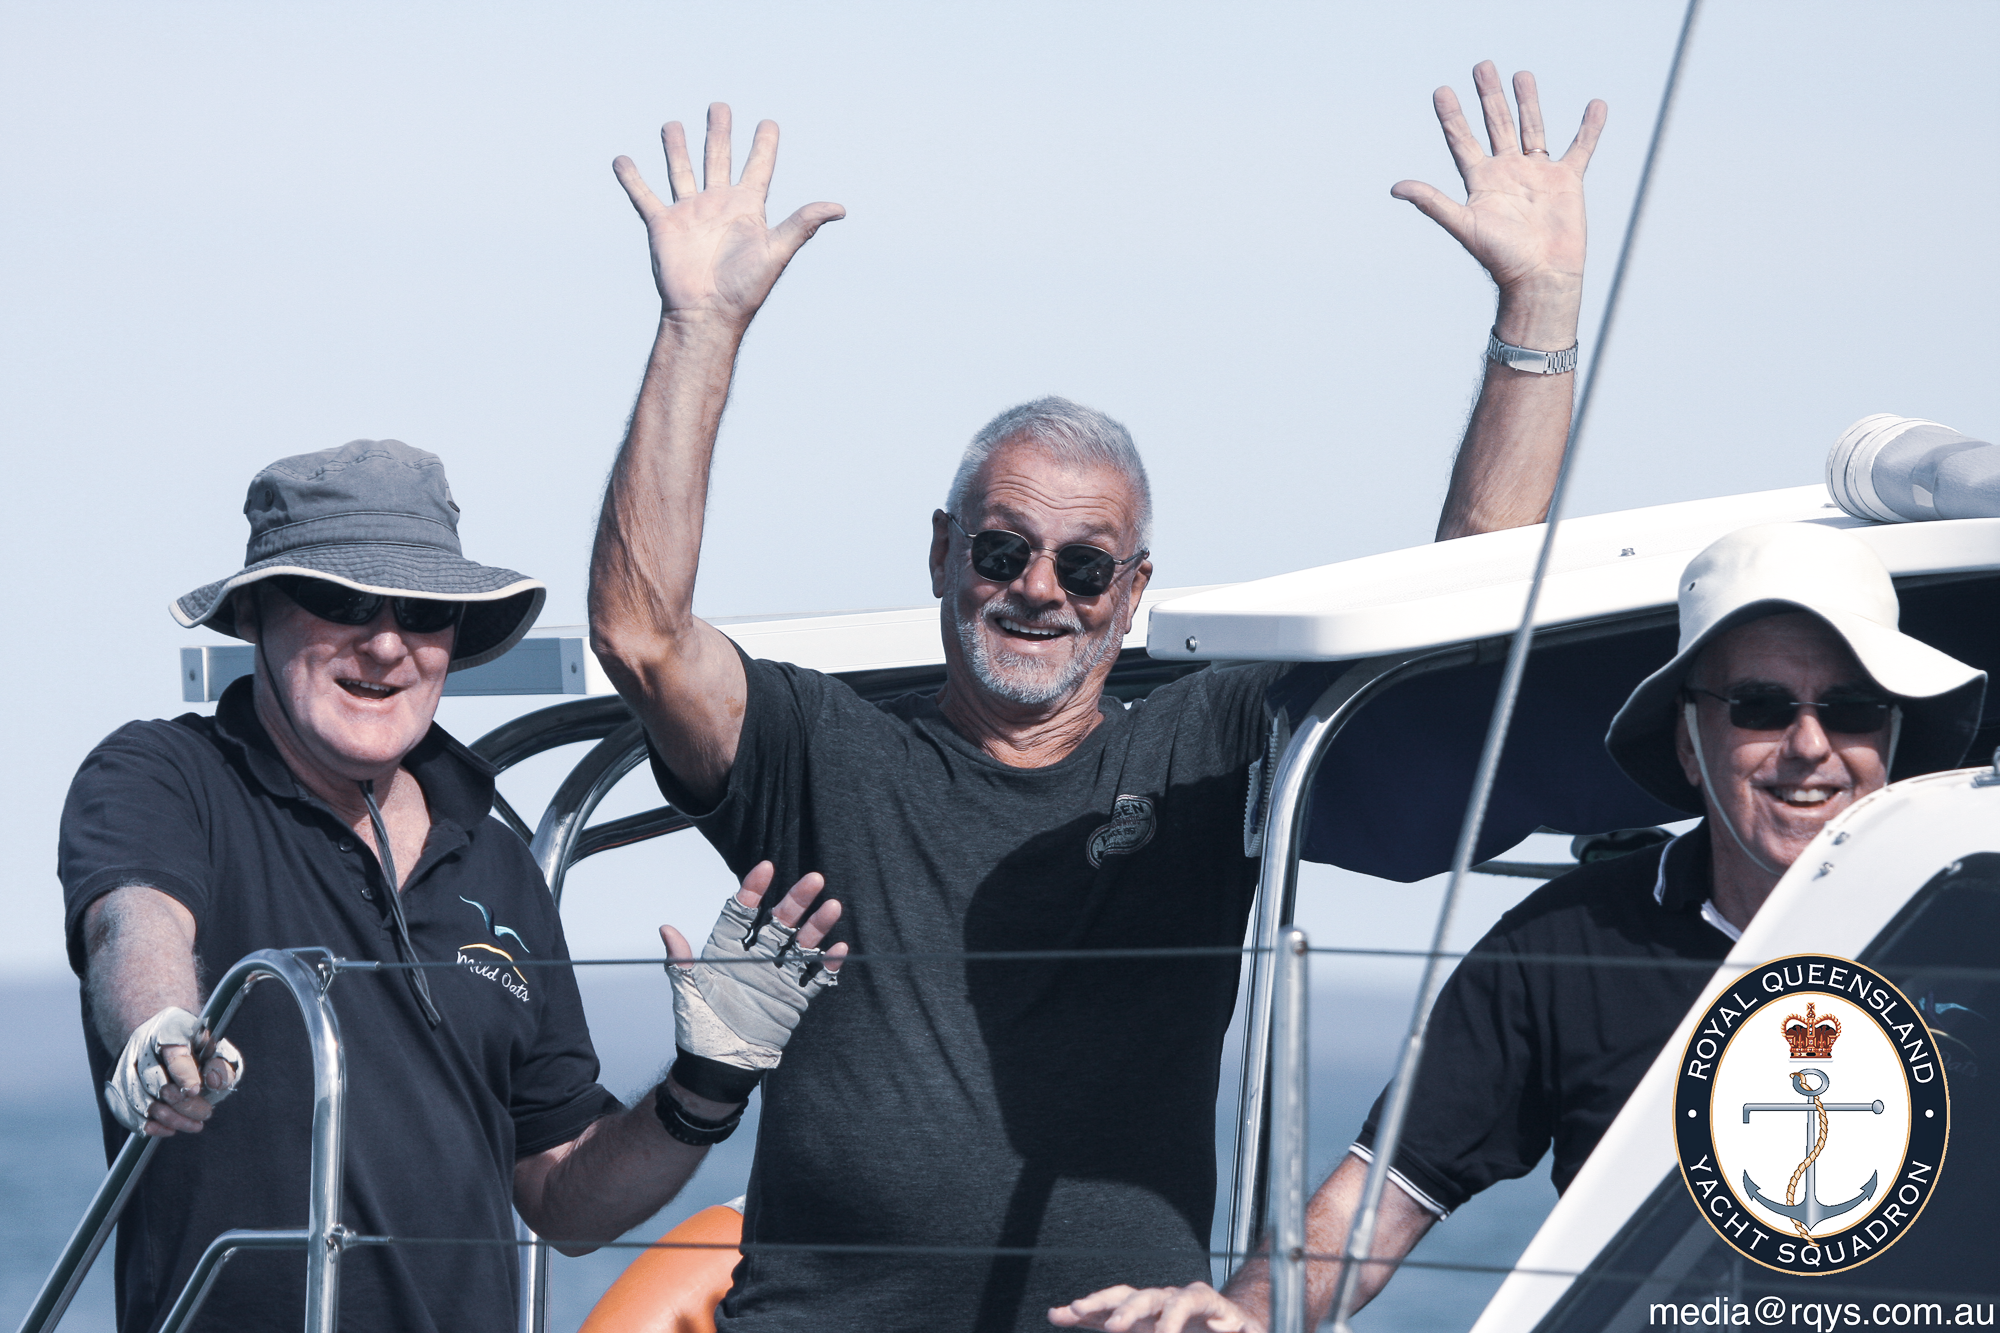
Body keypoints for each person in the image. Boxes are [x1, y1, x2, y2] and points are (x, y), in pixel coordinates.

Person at [589, 62, 1604, 1333]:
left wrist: (1535, 308)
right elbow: (641, 633)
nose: (1037, 590)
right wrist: (699, 326)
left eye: (1081, 567)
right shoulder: (821, 755)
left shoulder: (1205, 753)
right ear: (942, 552)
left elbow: (1451, 619)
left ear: (1130, 595)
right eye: (1002, 549)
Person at [1054, 520, 1987, 1332]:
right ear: (1688, 741)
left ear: (1890, 735)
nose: (1811, 745)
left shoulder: (1976, 934)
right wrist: (1248, 1313)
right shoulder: (1565, 945)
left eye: (1853, 708)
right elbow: (1375, 1204)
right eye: (1762, 706)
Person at [59, 439, 844, 1333]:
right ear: (255, 613)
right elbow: (133, 921)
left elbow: (564, 1199)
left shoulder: (500, 861)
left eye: (424, 609)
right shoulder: (164, 774)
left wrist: (706, 1082)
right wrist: (161, 1033)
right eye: (343, 599)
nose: (386, 642)